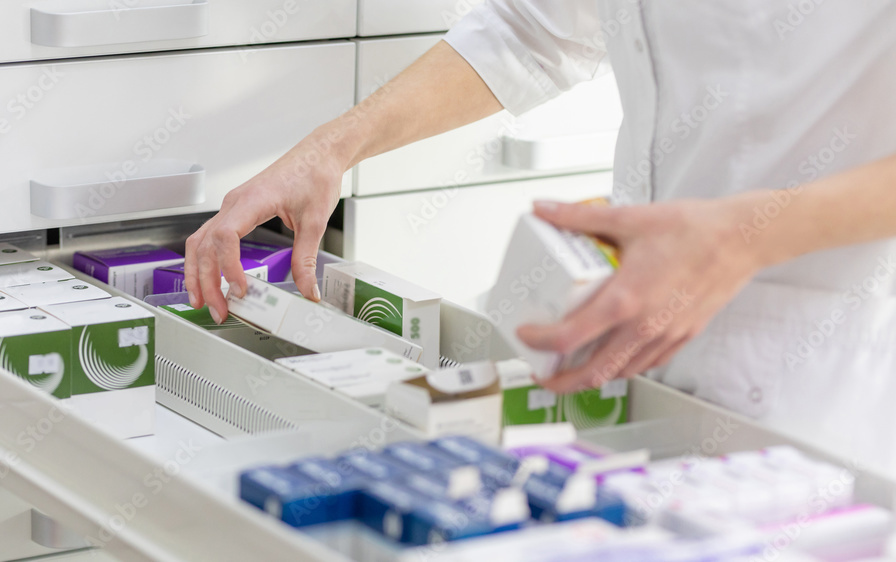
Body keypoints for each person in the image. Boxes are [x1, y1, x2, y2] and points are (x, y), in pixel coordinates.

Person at [184, 1, 896, 470]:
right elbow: (537, 29)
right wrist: (334, 146)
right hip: (622, 350)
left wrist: (744, 236)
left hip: (820, 391)